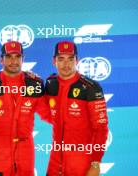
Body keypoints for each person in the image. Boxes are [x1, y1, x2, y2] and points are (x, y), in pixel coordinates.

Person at [0, 41, 52, 176]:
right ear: (1, 60)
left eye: (17, 57)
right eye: (9, 57)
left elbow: (49, 115)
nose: (13, 61)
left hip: (25, 155)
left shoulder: (34, 84)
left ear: (23, 59)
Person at [45, 41, 109, 176]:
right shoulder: (51, 84)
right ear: (54, 61)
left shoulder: (91, 87)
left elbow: (101, 128)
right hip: (55, 161)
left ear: (77, 60)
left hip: (81, 162)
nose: (66, 64)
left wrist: (96, 163)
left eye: (70, 59)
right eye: (61, 59)